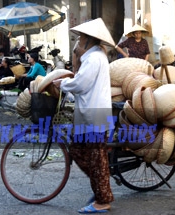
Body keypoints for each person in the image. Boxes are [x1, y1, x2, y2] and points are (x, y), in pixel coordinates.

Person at [53, 18, 115, 213]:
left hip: (95, 115)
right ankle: (101, 184)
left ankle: (103, 199)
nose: (78, 42)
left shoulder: (95, 58)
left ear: (89, 40)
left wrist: (62, 84)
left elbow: (81, 84)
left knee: (96, 158)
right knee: (78, 150)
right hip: (89, 114)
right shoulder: (92, 57)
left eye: (80, 38)